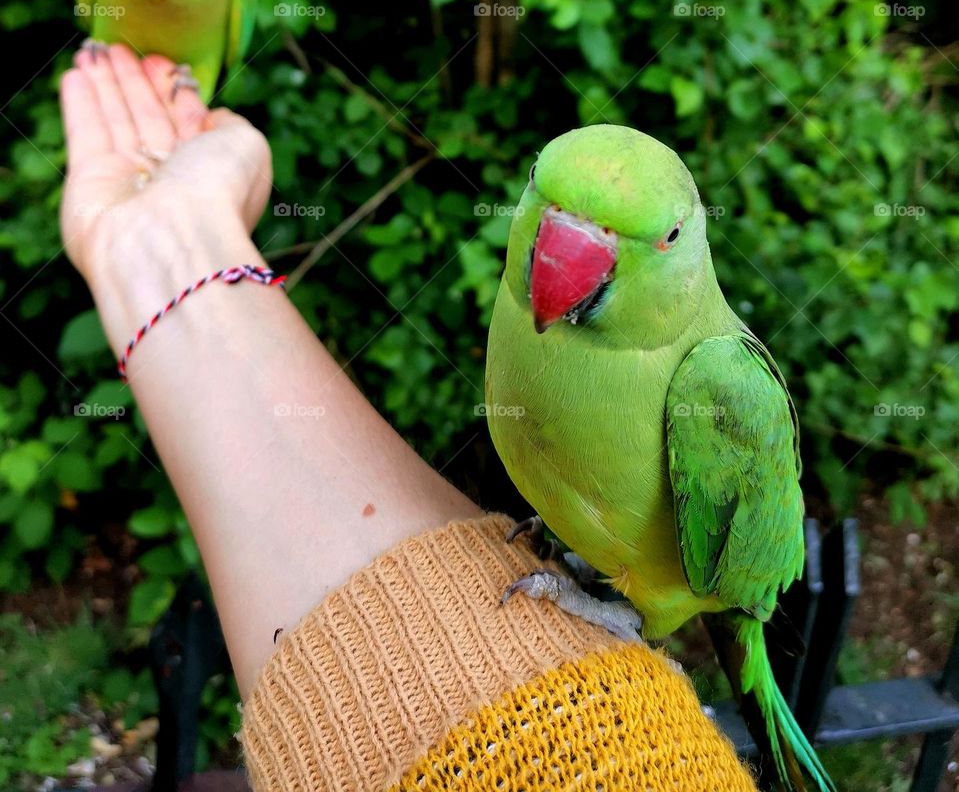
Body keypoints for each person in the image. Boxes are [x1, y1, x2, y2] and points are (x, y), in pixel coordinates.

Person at [59, 43, 758, 791]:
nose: (569, 249)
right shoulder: (520, 316)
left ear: (684, 244)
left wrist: (633, 618)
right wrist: (170, 236)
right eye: (542, 198)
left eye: (659, 237)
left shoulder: (715, 387)